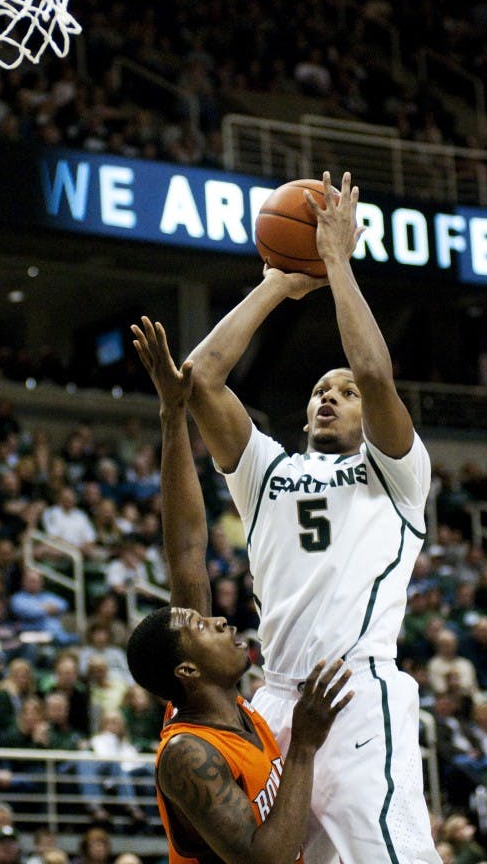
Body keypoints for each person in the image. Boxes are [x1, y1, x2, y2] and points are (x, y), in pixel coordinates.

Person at [185, 171, 441, 863]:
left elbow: (376, 373)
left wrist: (335, 262)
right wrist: (277, 283)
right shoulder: (266, 472)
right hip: (274, 700)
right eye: (320, 390)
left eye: (345, 393)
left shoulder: (396, 474)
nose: (331, 396)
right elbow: (199, 378)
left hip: (357, 692)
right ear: (304, 414)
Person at [126, 317, 352, 864]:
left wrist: (173, 416)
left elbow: (186, 550)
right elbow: (262, 860)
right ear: (188, 670)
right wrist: (303, 745)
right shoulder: (188, 754)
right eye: (202, 626)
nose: (219, 620)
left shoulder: (231, 710)